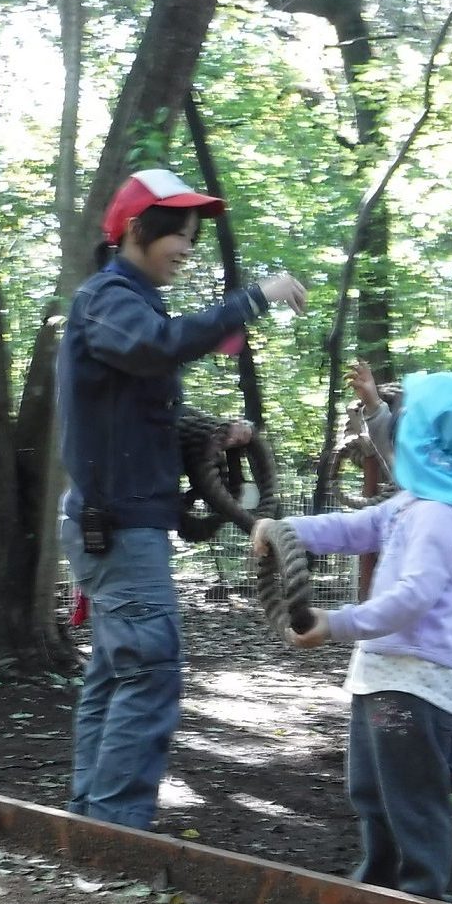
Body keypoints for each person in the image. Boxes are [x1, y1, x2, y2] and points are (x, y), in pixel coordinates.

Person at [58, 168, 307, 829]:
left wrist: (210, 434)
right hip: (116, 530)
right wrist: (252, 299)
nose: (188, 248)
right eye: (179, 235)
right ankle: (116, 833)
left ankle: (91, 823)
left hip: (116, 525)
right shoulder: (109, 300)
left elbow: (134, 403)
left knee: (119, 673)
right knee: (148, 672)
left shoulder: (124, 302)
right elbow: (154, 349)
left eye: (195, 237)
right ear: (137, 230)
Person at [252, 372, 452, 899]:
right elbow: (354, 527)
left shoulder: (440, 515)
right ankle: (381, 884)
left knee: (410, 792)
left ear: (418, 435)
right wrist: (285, 529)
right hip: (383, 675)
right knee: (369, 788)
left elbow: (412, 599)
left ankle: (423, 895)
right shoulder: (412, 502)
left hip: (416, 680)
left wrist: (335, 623)